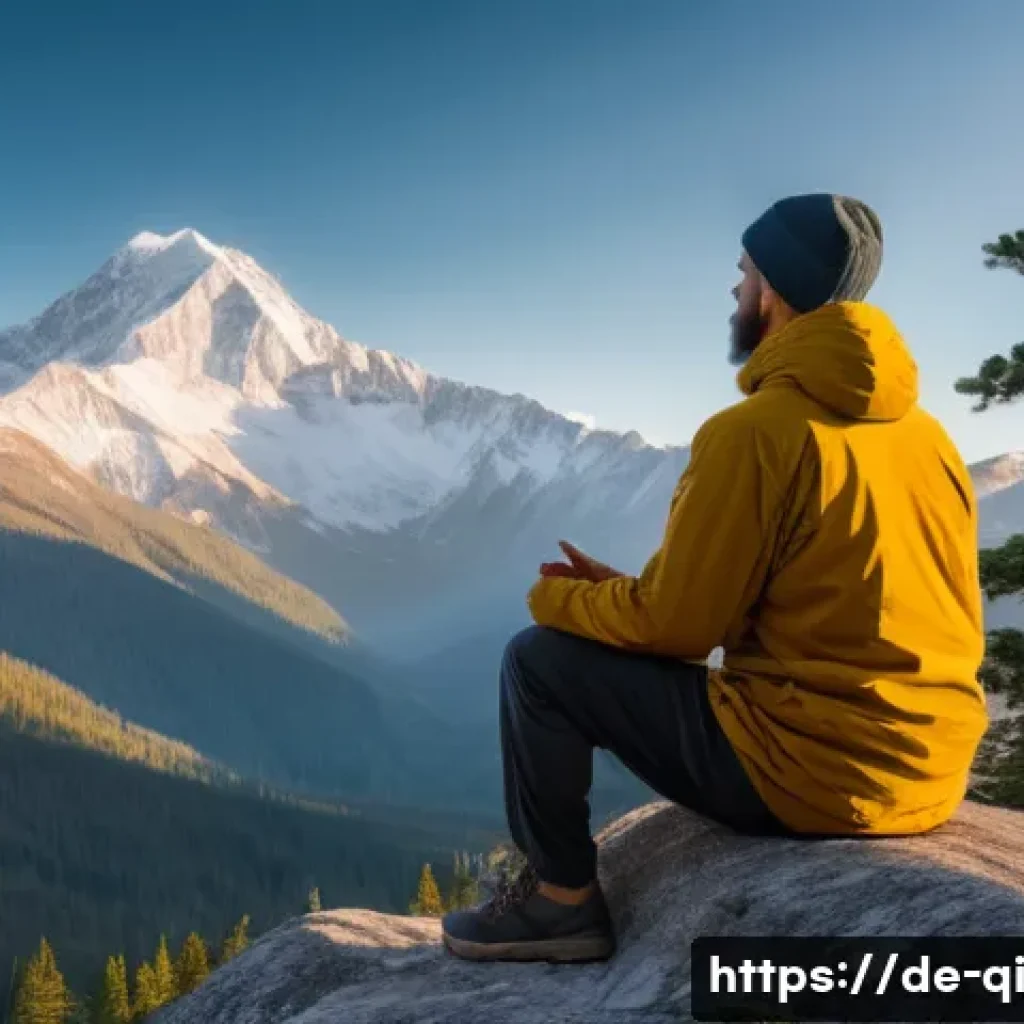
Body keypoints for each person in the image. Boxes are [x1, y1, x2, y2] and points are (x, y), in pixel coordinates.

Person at [442, 193, 989, 964]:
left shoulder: (753, 433)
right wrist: (627, 590)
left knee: (538, 660)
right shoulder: (928, 439)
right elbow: (809, 596)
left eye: (744, 271)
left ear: (773, 290)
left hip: (816, 773)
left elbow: (680, 629)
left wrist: (562, 599)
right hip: (932, 770)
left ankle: (560, 900)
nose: (734, 290)